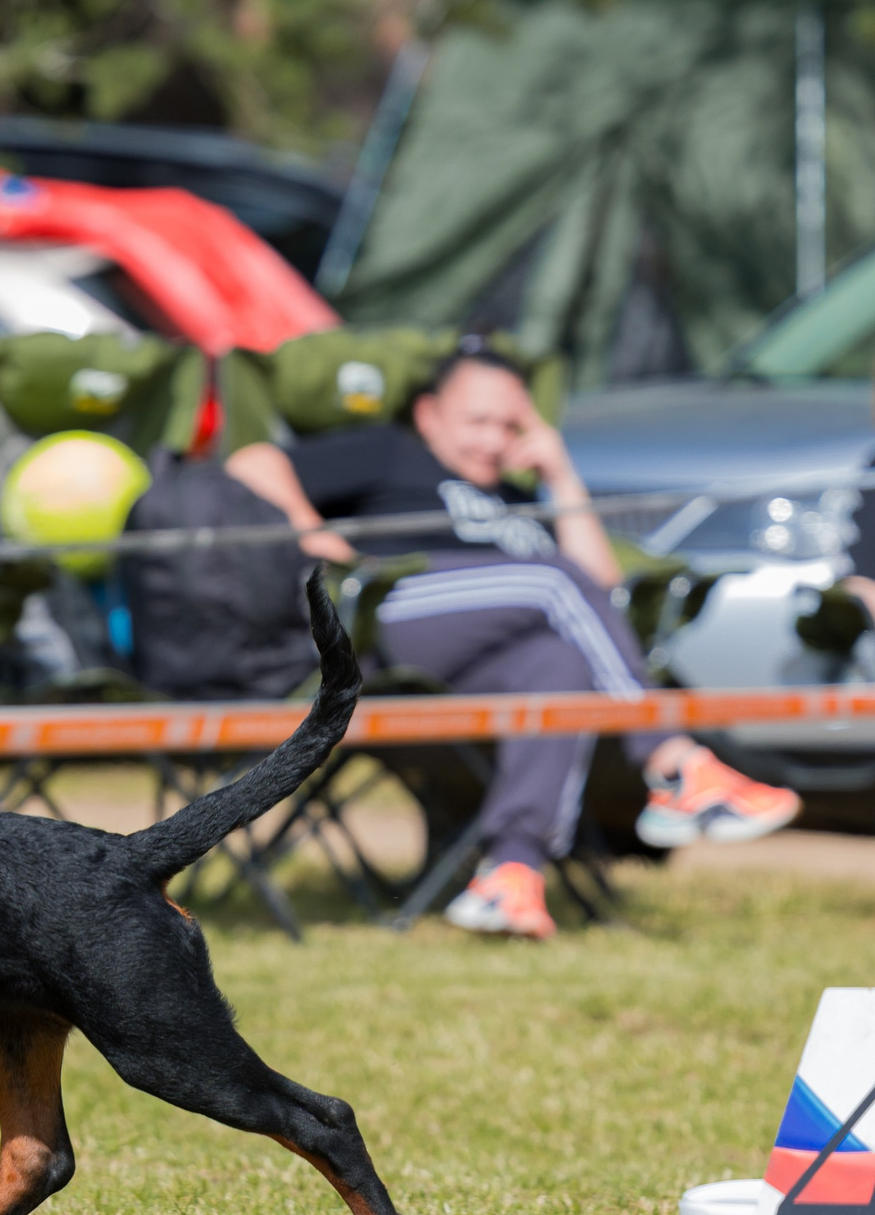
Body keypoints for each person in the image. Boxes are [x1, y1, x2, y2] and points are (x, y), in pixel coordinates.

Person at [226, 339, 799, 941]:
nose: (494, 440)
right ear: (429, 415)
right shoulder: (393, 451)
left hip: (467, 662)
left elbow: (601, 589)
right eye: (478, 421)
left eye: (510, 425)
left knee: (559, 663)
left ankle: (511, 873)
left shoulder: (518, 500)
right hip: (386, 619)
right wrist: (313, 533)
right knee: (553, 582)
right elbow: (250, 462)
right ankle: (673, 761)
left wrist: (559, 474)